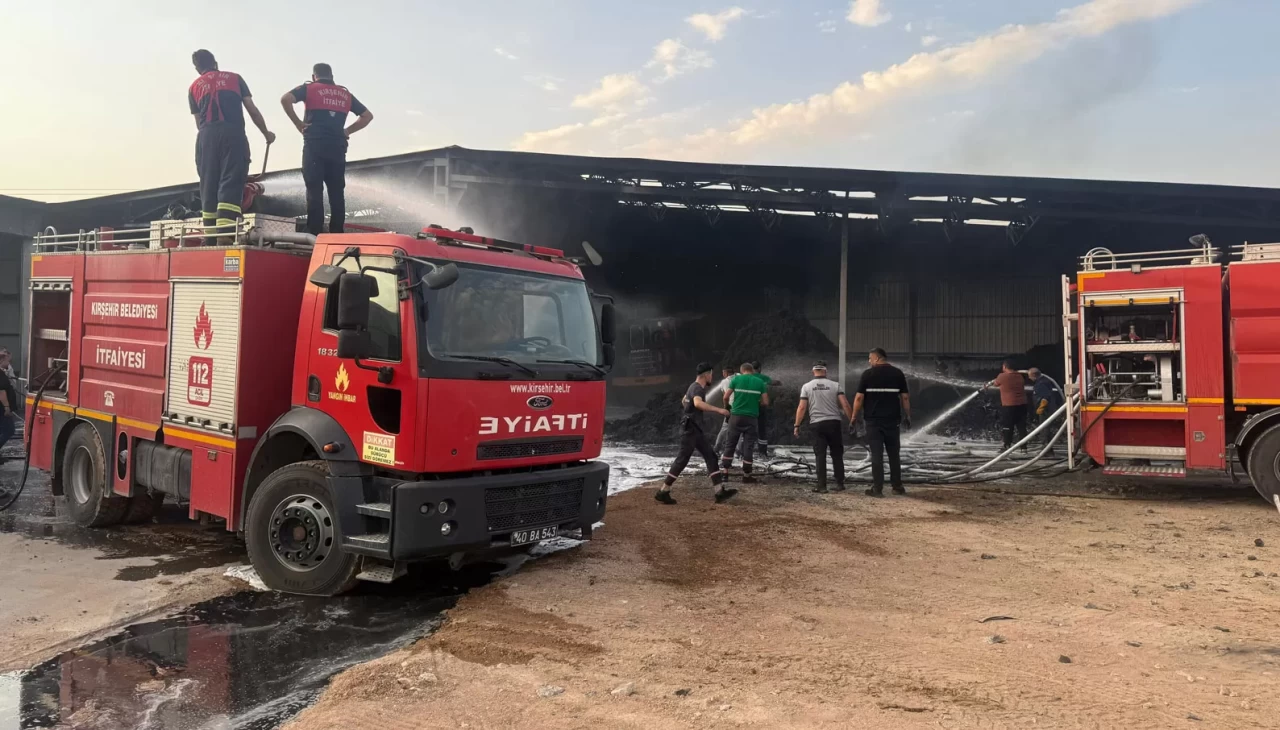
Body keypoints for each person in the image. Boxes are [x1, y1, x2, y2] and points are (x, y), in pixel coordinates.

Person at [188, 50, 275, 245]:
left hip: (205, 137)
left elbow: (197, 123)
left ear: (197, 68)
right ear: (215, 62)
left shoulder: (193, 87)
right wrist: (266, 133)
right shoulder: (235, 79)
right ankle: (226, 234)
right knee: (231, 179)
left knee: (209, 183)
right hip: (232, 134)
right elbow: (251, 109)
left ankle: (210, 235)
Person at [282, 63, 374, 236]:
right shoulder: (345, 94)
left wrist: (298, 124)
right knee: (336, 191)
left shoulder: (309, 89)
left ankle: (314, 232)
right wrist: (347, 131)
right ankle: (337, 232)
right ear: (332, 76)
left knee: (314, 189)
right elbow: (367, 116)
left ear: (314, 75)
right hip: (337, 147)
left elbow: (285, 99)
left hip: (315, 145)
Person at [656, 363, 737, 505]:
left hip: (694, 430)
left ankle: (719, 491)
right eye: (711, 374)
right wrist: (719, 410)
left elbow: (684, 401)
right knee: (682, 460)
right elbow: (698, 404)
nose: (712, 377)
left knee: (710, 456)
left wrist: (690, 414)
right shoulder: (698, 389)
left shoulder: (692, 387)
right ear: (706, 374)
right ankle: (663, 491)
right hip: (691, 431)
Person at [852, 348, 910, 497]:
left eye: (870, 358)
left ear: (877, 358)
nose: (869, 361)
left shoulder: (867, 374)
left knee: (877, 454)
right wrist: (908, 416)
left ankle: (877, 489)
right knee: (893, 454)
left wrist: (853, 417)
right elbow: (905, 398)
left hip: (873, 421)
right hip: (893, 420)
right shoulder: (898, 373)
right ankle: (897, 486)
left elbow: (859, 398)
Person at [794, 360, 853, 494]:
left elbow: (802, 407)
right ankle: (839, 483)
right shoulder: (835, 385)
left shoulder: (807, 387)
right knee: (837, 454)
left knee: (820, 455)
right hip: (834, 423)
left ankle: (822, 486)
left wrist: (797, 425)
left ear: (813, 371)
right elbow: (845, 405)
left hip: (817, 424)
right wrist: (852, 421)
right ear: (826, 371)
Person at [719, 362, 770, 484]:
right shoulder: (759, 382)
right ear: (752, 370)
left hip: (735, 416)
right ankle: (746, 475)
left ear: (742, 370)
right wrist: (756, 403)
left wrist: (727, 407)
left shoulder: (736, 379)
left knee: (730, 444)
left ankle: (725, 473)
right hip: (751, 418)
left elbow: (726, 397)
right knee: (748, 446)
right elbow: (766, 402)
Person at [988, 360, 1029, 451]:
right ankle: (1024, 447)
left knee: (1007, 426)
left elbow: (995, 384)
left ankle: (1006, 445)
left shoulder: (1002, 376)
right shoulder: (1020, 376)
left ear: (1005, 367)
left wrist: (988, 384)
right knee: (1021, 426)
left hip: (1009, 405)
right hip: (1022, 405)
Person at [1028, 367, 1065, 451]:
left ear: (1034, 375)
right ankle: (1047, 447)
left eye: (1030, 376)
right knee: (1046, 428)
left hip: (1045, 410)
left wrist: (1041, 407)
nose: (1029, 378)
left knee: (1044, 428)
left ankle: (1046, 448)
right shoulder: (1045, 381)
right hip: (1048, 408)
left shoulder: (1041, 384)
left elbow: (1045, 397)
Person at [751, 360, 773, 458]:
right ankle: (762, 452)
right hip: (761, 406)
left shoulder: (747, 378)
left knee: (747, 429)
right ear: (759, 368)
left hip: (749, 406)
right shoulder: (763, 378)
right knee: (762, 429)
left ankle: (743, 452)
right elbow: (774, 382)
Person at [0, 348, 17, 464]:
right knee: (9, 430)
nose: (8, 364)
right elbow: (1, 391)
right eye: (7, 361)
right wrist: (7, 407)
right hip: (2, 408)